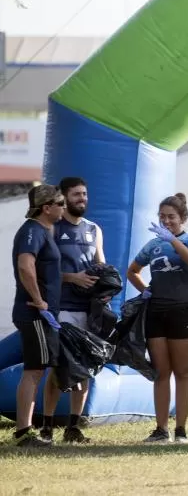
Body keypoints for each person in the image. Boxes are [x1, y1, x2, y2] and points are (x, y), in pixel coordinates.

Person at [126, 193, 188, 444]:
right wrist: (144, 290)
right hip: (156, 313)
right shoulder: (153, 245)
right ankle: (161, 429)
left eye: (171, 217)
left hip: (184, 312)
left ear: (182, 218)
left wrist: (173, 240)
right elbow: (132, 271)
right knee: (161, 373)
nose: (166, 221)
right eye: (162, 217)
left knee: (183, 372)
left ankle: (181, 429)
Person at [46, 177, 106, 444]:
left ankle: (73, 426)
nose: (82, 199)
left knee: (85, 367)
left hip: (87, 311)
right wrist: (73, 278)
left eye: (85, 194)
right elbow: (43, 271)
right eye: (76, 195)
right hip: (61, 309)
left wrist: (106, 286)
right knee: (59, 368)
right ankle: (47, 426)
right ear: (64, 198)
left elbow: (101, 265)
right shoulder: (52, 228)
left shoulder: (94, 229)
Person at [11, 185, 65, 447]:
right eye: (60, 203)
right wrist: (39, 300)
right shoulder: (32, 230)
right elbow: (25, 265)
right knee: (33, 371)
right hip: (34, 313)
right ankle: (24, 431)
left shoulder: (43, 231)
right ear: (46, 208)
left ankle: (25, 430)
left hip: (42, 314)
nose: (64, 208)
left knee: (37, 370)